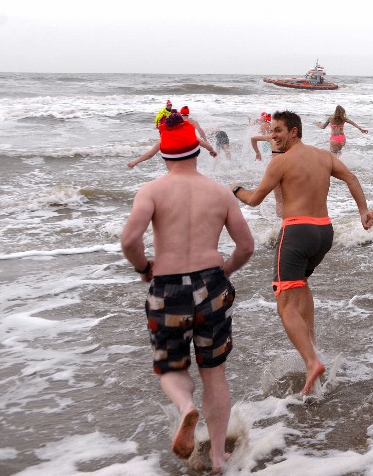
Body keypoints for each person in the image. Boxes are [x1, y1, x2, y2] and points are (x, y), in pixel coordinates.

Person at [120, 112, 255, 473]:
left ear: (163, 155)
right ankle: (217, 458)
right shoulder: (219, 193)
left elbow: (130, 239)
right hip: (212, 284)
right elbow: (245, 246)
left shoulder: (151, 191)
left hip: (168, 288)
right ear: (196, 150)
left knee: (171, 366)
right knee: (214, 373)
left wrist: (142, 267)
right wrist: (223, 271)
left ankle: (185, 407)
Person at [232, 110, 373, 395]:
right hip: (324, 233)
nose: (273, 135)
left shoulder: (281, 162)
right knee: (302, 284)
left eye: (278, 131)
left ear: (294, 131)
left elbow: (255, 200)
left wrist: (235, 189)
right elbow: (352, 177)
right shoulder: (324, 156)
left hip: (297, 233)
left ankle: (311, 362)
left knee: (284, 302)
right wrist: (362, 210)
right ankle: (312, 345)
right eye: (271, 131)